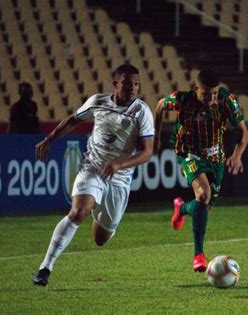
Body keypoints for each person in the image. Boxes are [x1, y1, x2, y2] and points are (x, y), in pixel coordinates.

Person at [32, 64, 154, 286]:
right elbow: (73, 119)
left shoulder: (142, 111)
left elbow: (147, 152)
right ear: (115, 84)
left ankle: (99, 211)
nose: (133, 88)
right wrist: (49, 139)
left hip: (120, 178)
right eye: (127, 83)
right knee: (78, 212)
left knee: (100, 239)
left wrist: (120, 163)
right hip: (93, 167)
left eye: (136, 84)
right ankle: (45, 268)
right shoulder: (98, 101)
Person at [154, 70, 248, 272]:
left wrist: (237, 154)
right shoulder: (182, 100)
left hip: (216, 158)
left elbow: (244, 132)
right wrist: (155, 138)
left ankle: (182, 208)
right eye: (207, 94)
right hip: (188, 152)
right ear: (196, 89)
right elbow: (160, 105)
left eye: (214, 93)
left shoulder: (225, 100)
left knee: (203, 207)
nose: (212, 98)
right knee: (203, 194)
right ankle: (199, 254)